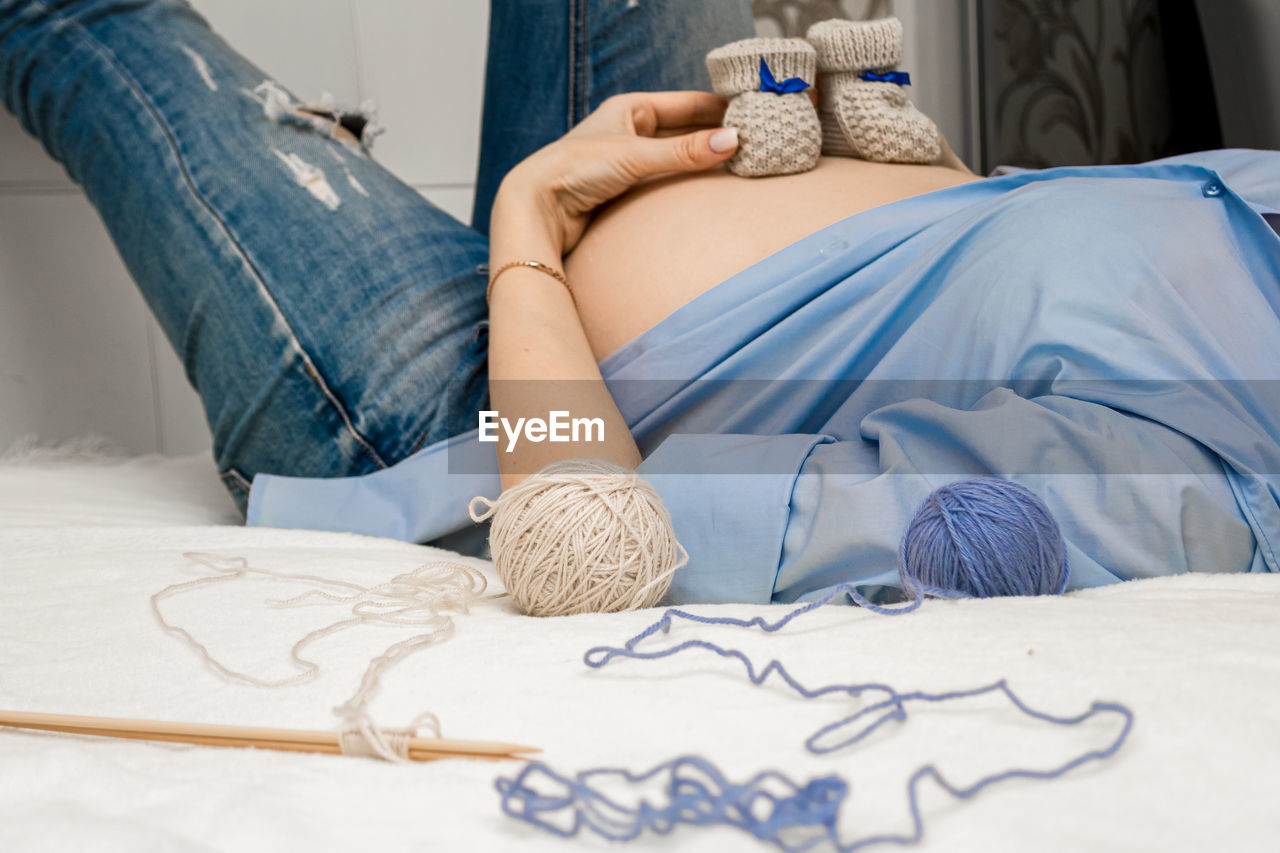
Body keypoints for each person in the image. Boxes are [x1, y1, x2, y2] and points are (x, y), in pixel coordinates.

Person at [4, 0, 1278, 604]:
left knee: (76, 15)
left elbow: (598, 544)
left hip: (452, 409)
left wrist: (529, 230)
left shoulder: (1202, 492)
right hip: (628, 174)